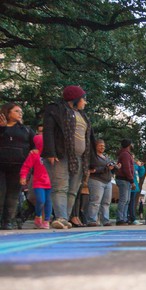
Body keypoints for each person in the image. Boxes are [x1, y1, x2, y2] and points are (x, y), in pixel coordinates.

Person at [42, 86, 95, 230]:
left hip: (79, 158)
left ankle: (65, 218)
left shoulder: (83, 116)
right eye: (83, 98)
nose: (85, 102)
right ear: (76, 99)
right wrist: (50, 152)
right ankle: (60, 217)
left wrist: (91, 162)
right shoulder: (56, 110)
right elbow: (48, 131)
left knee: (73, 190)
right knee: (60, 187)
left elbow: (90, 139)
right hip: (60, 155)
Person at [0, 102, 35, 230]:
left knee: (13, 195)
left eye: (21, 111)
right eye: (16, 111)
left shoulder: (26, 130)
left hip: (18, 167)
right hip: (1, 166)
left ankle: (8, 221)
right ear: (7, 113)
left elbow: (35, 146)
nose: (20, 113)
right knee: (1, 193)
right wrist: (2, 128)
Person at [19, 134, 50, 229]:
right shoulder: (34, 154)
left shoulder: (51, 154)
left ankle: (46, 220)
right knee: (41, 200)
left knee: (48, 201)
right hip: (38, 182)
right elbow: (26, 166)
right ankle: (38, 216)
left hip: (50, 182)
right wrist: (23, 176)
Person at [86, 139, 117, 227]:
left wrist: (115, 167)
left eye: (103, 146)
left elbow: (109, 169)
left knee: (106, 202)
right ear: (95, 146)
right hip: (96, 180)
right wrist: (105, 168)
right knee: (95, 201)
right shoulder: (93, 157)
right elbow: (92, 170)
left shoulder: (106, 157)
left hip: (108, 181)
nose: (102, 147)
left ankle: (105, 220)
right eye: (100, 145)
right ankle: (92, 220)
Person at [114, 139, 135, 226]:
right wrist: (131, 180)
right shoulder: (125, 154)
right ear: (129, 145)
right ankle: (120, 219)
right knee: (124, 200)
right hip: (124, 179)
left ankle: (124, 218)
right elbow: (127, 169)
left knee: (127, 200)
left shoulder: (125, 154)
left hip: (125, 179)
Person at [128, 158, 145, 225]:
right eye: (131, 157)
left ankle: (132, 218)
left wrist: (141, 166)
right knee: (127, 203)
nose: (134, 159)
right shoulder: (130, 165)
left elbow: (141, 174)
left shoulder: (136, 166)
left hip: (134, 187)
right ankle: (128, 217)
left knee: (132, 203)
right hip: (129, 185)